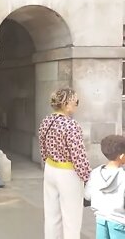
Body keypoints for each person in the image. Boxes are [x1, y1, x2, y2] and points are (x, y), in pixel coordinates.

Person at [38, 88, 91, 239]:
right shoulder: (71, 125)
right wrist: (87, 177)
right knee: (71, 218)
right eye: (76, 102)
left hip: (50, 169)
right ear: (67, 104)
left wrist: (49, 163)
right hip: (68, 173)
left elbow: (42, 148)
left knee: (52, 215)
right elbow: (78, 155)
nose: (76, 105)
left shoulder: (46, 121)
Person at [84, 135, 125, 239]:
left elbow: (87, 196)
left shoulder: (95, 173)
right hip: (119, 222)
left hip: (101, 219)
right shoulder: (123, 176)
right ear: (122, 156)